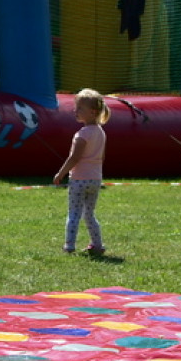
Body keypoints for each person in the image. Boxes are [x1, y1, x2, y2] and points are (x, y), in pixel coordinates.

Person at [53, 88, 110, 255]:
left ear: (92, 112)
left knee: (74, 214)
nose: (75, 111)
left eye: (80, 109)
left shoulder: (82, 134)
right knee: (89, 214)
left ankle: (69, 245)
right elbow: (102, 157)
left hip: (79, 180)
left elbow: (74, 158)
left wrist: (61, 173)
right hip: (95, 179)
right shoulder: (101, 133)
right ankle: (97, 244)